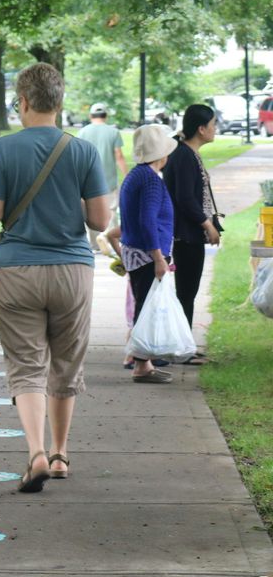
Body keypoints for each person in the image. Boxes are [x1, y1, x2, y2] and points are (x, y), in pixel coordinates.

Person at [0, 63, 111, 492]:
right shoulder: (83, 150)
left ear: (23, 102)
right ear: (59, 102)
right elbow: (99, 220)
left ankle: (34, 451)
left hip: (17, 271)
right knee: (66, 363)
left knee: (27, 364)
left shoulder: (2, 149)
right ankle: (59, 454)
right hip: (72, 270)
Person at [118, 124, 178, 383]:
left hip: (134, 252)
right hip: (145, 255)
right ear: (161, 156)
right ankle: (141, 365)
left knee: (144, 306)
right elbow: (147, 220)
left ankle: (144, 362)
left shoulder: (136, 175)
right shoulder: (151, 181)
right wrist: (158, 257)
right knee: (146, 309)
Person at [162, 104, 221, 342]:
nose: (215, 129)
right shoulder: (184, 155)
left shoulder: (186, 153)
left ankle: (183, 344)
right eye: (213, 124)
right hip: (185, 235)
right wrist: (207, 225)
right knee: (186, 293)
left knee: (187, 292)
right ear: (201, 129)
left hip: (187, 234)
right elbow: (185, 198)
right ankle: (183, 346)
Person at [76, 103, 128, 249]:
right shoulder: (113, 132)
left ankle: (95, 244)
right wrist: (126, 175)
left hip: (87, 181)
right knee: (111, 210)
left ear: (90, 116)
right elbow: (118, 155)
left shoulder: (83, 132)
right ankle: (110, 241)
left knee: (90, 210)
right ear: (105, 116)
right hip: (109, 181)